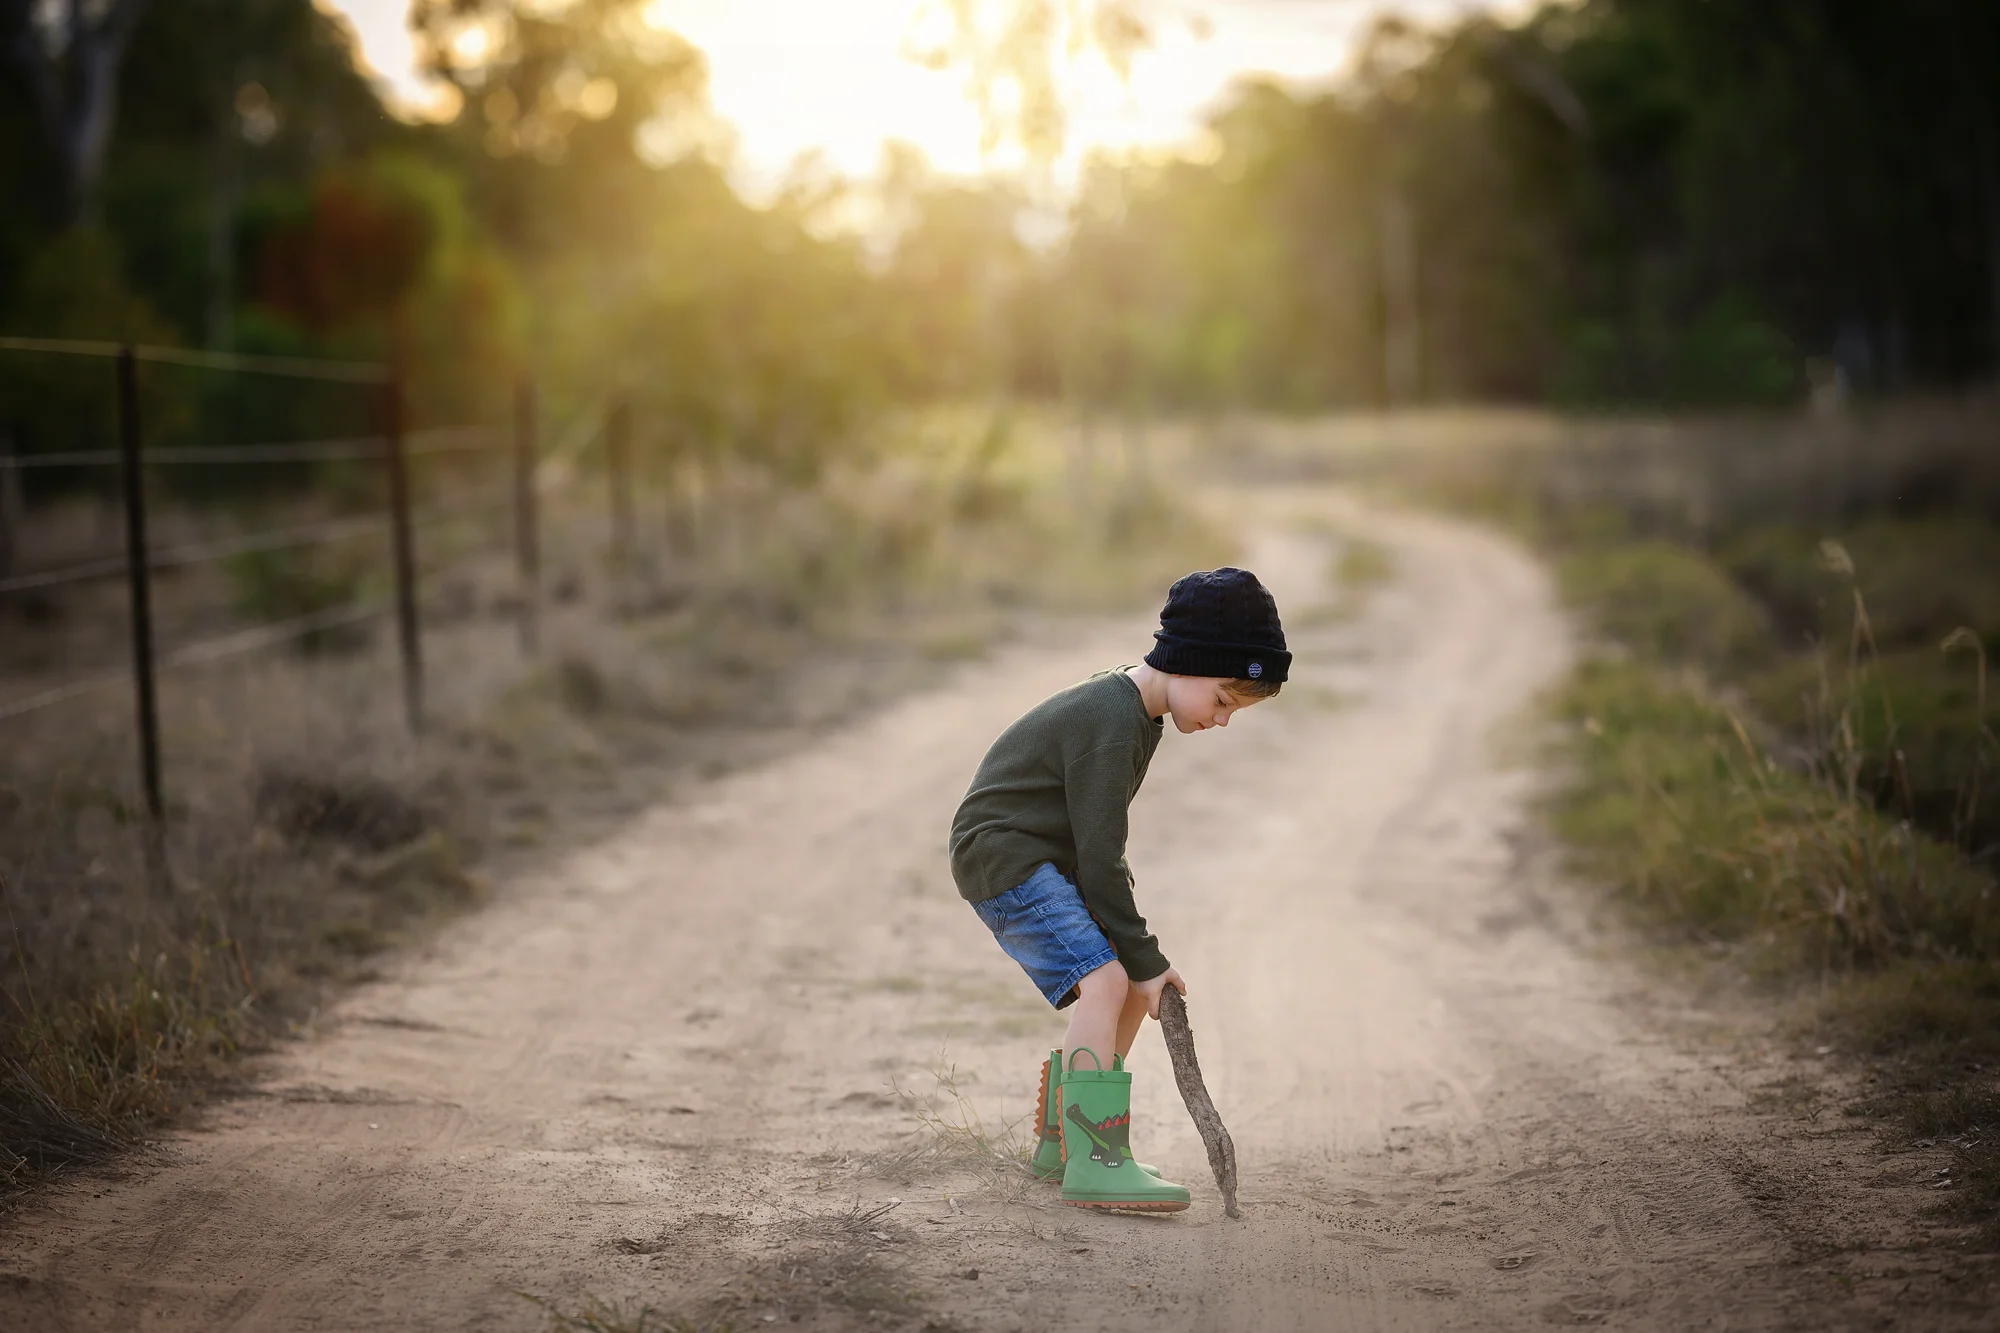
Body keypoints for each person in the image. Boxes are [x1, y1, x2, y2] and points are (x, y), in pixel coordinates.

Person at [948, 567, 1288, 1210]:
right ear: (1189, 663)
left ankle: (1064, 1147)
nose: (1221, 721)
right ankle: (1095, 1157)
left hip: (1042, 856)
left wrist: (1143, 961)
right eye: (1222, 700)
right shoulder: (1111, 719)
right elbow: (1101, 857)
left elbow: (1100, 847)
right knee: (1105, 981)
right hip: (1005, 854)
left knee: (1127, 982)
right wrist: (1143, 952)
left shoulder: (1138, 716)